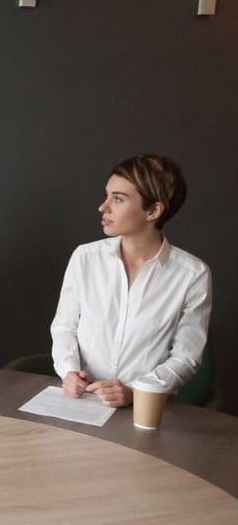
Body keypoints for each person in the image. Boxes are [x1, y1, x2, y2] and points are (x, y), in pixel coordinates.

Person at [51, 155, 211, 407]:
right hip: (82, 401)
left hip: (145, 409)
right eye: (107, 196)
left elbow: (186, 357)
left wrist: (136, 392)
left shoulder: (192, 274)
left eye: (118, 199)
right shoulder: (85, 257)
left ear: (153, 210)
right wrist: (69, 372)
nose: (103, 207)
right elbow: (64, 327)